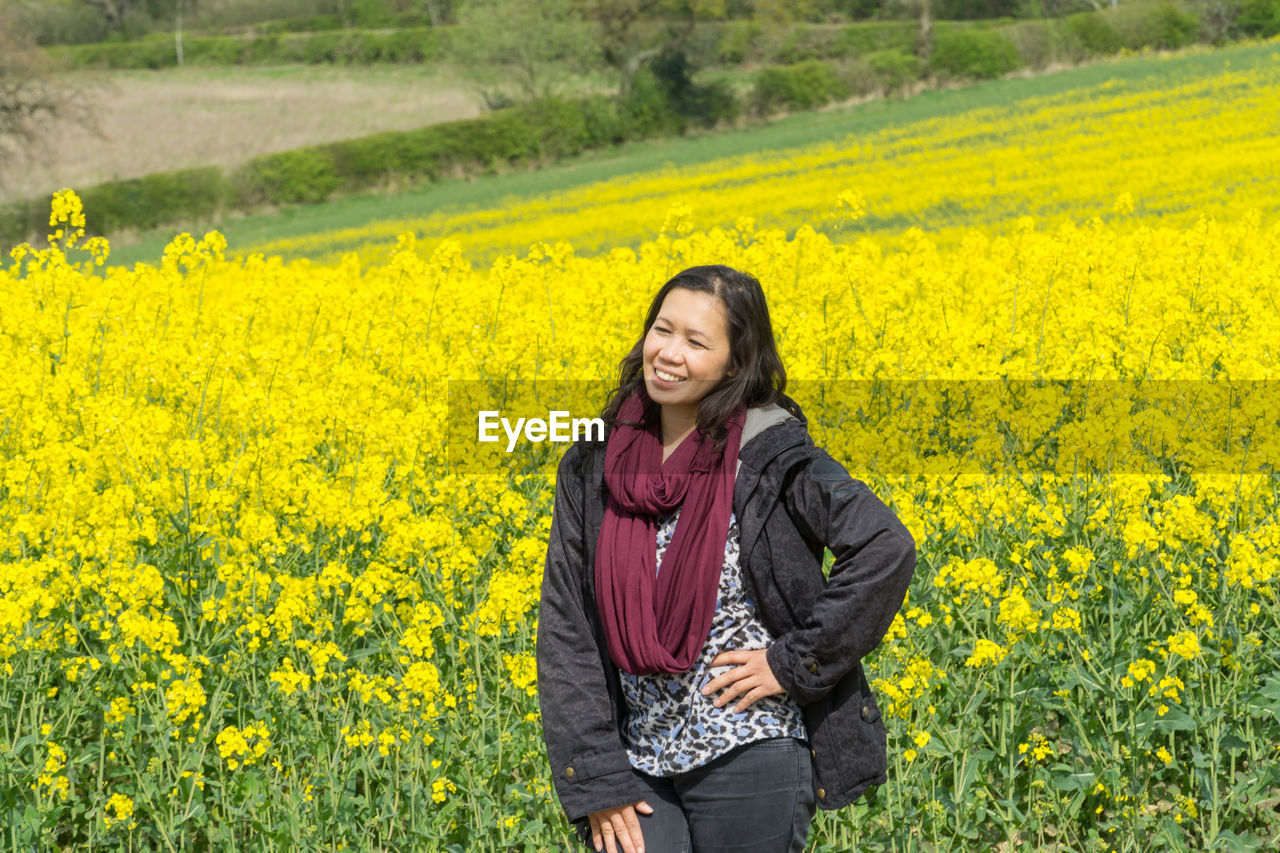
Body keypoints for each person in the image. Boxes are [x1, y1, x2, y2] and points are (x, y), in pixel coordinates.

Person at [536, 264, 917, 853]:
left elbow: (884, 547)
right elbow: (569, 630)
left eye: (696, 342)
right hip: (635, 761)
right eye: (662, 331)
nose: (668, 353)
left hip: (752, 745)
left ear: (734, 364)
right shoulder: (593, 466)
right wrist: (596, 778)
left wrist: (792, 665)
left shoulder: (771, 454)